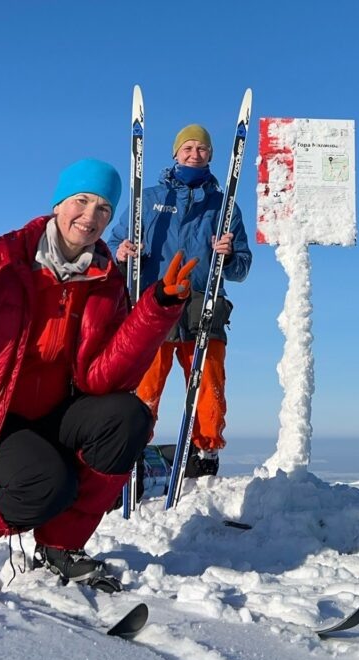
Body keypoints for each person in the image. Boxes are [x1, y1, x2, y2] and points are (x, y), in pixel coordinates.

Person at [0, 158, 198, 591]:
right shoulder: (3, 259)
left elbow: (102, 376)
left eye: (104, 208)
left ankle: (60, 545)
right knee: (50, 486)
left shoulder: (104, 277)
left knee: (130, 418)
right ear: (58, 203)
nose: (91, 216)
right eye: (81, 200)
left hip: (54, 413)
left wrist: (157, 309)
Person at [108, 124, 252, 478]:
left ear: (211, 156)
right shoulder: (148, 197)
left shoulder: (224, 205)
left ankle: (205, 450)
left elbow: (242, 268)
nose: (194, 154)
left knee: (207, 380)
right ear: (175, 154)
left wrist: (230, 255)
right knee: (147, 379)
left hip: (204, 301)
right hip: (154, 300)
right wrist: (122, 252)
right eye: (187, 148)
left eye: (201, 149)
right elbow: (113, 243)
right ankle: (134, 445)